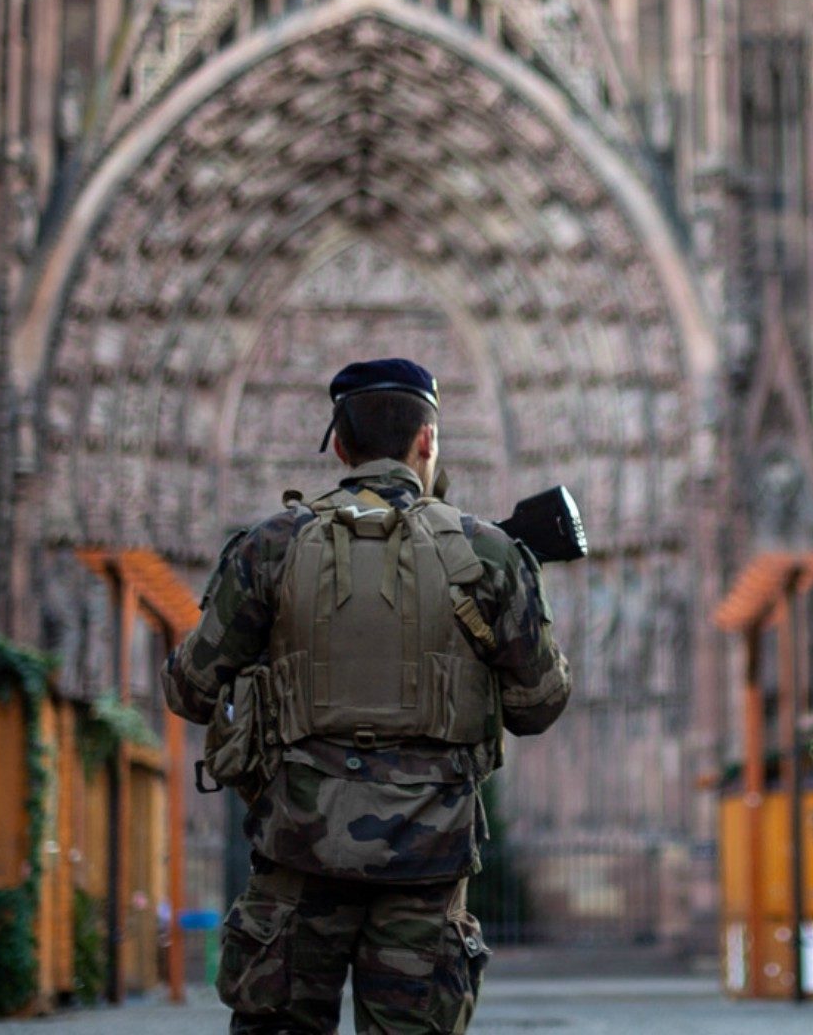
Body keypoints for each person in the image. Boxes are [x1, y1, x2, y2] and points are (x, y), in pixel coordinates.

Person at [164, 358, 571, 1034]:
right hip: (426, 859)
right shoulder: (491, 554)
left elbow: (188, 687)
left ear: (340, 446)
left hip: (297, 850)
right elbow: (539, 703)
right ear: (428, 441)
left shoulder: (271, 547)